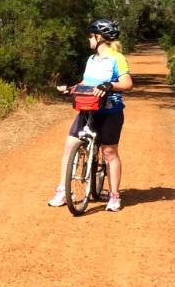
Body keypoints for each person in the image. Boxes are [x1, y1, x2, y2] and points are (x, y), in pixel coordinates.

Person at [48, 19, 133, 212]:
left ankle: (114, 196)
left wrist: (110, 85)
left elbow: (127, 83)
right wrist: (71, 88)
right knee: (70, 146)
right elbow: (87, 82)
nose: (89, 40)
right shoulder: (91, 59)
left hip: (110, 112)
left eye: (91, 36)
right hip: (87, 109)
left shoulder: (116, 58)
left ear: (99, 37)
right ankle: (63, 191)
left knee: (109, 153)